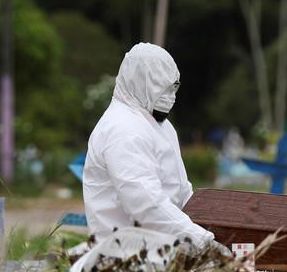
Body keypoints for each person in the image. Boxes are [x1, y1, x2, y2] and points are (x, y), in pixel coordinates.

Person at [82, 42, 215, 248]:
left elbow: (180, 191)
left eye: (173, 88)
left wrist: (212, 223)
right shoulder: (122, 129)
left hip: (165, 255)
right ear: (139, 81)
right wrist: (200, 239)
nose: (170, 97)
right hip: (126, 262)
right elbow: (145, 202)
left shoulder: (160, 126)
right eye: (162, 89)